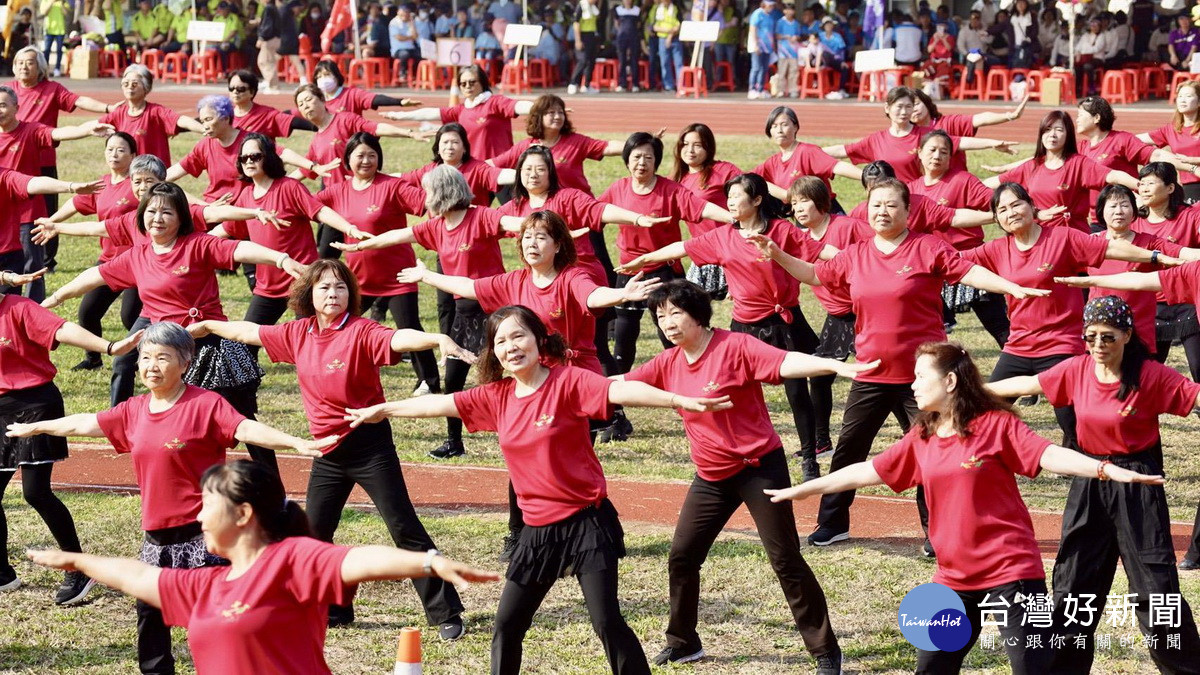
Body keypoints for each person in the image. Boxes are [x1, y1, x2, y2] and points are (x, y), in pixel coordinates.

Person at [344, 305, 731, 675]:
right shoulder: (496, 397)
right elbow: (441, 404)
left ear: (539, 339)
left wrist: (678, 400)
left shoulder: (568, 381)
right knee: (507, 626)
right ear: (493, 352)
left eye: (519, 336)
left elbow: (622, 392)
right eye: (501, 342)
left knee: (607, 622)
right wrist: (383, 410)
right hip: (537, 531)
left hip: (586, 524)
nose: (512, 347)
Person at [768, 340, 1164, 674]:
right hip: (953, 579)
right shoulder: (922, 435)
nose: (913, 384)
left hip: (1012, 575)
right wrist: (805, 489)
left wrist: (1104, 469)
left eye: (921, 376)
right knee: (931, 668)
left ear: (951, 381)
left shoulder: (995, 424)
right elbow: (868, 471)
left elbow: (1047, 455)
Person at [7, 321, 337, 675]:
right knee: (150, 618)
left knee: (217, 620)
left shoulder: (206, 404)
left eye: (162, 358)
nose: (151, 366)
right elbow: (85, 423)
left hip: (205, 535)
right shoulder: (133, 410)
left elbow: (245, 428)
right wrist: (38, 427)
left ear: (185, 362)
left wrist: (295, 442)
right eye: (145, 357)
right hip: (156, 536)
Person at [753, 178, 1046, 551]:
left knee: (934, 454)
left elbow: (966, 271)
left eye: (892, 205)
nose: (882, 212)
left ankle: (935, 533)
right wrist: (776, 253)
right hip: (871, 373)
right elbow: (813, 274)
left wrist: (1011, 287)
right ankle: (833, 522)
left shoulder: (926, 247)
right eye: (876, 205)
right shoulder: (856, 254)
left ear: (908, 212)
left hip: (924, 380)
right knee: (849, 449)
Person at [187, 258, 474, 635]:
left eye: (340, 287)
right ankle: (335, 609)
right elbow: (250, 331)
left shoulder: (360, 330)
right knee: (314, 535)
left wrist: (437, 338)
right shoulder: (298, 332)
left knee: (403, 527)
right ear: (310, 294)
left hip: (370, 448)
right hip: (325, 452)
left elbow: (396, 338)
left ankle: (446, 613)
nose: (333, 294)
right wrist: (208, 326)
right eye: (324, 287)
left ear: (350, 294)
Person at [26, 459, 499, 673]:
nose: (197, 515)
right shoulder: (205, 585)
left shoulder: (290, 561)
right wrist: (75, 559)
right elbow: (142, 577)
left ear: (244, 514)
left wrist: (430, 561)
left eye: (206, 503)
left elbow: (358, 559)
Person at [624, 280, 873, 671]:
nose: (668, 323)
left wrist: (832, 365)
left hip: (759, 468)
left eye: (676, 313)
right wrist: (566, 388)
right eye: (660, 316)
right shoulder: (668, 362)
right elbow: (620, 385)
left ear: (699, 314)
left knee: (785, 558)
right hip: (711, 476)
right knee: (682, 557)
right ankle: (684, 642)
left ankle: (825, 651)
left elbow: (784, 362)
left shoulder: (734, 346)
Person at [398, 210, 662, 558]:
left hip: (571, 381)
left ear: (557, 245)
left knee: (574, 459)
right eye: (527, 237)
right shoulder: (514, 281)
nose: (532, 243)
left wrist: (619, 296)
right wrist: (426, 275)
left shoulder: (572, 276)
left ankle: (600, 531)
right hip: (532, 381)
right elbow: (470, 287)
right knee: (524, 454)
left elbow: (592, 296)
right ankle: (518, 533)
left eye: (541, 237)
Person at [987, 296, 1200, 670]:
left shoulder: (1149, 374)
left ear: (1127, 336)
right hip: (1089, 479)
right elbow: (1028, 382)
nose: (1099, 345)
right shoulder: (1075, 369)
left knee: (1156, 591)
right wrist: (968, 390)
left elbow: (1194, 396)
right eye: (1091, 337)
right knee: (1073, 585)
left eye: (1108, 337)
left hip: (1137, 483)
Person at [42, 181, 305, 481]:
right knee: (183, 423)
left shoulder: (197, 244)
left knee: (240, 418)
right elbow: (95, 276)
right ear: (141, 215)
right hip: (169, 354)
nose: (157, 218)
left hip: (211, 349)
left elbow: (240, 249)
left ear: (181, 217)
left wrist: (281, 259)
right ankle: (194, 483)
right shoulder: (137, 256)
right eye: (151, 211)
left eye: (167, 212)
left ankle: (272, 487)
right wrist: (55, 297)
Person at [619, 173, 829, 478]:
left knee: (797, 391)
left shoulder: (781, 231)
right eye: (727, 197)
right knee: (738, 392)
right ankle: (736, 452)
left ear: (756, 200)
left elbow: (820, 253)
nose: (730, 202)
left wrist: (864, 257)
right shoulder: (723, 237)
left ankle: (810, 457)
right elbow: (681, 247)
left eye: (737, 196)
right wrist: (644, 260)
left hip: (784, 321)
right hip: (744, 325)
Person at [967, 182, 1171, 450]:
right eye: (1003, 209)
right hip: (1018, 346)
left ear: (1032, 206)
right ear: (997, 218)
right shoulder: (997, 249)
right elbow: (954, 260)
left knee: (1075, 424)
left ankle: (1098, 467)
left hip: (1061, 346)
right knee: (982, 415)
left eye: (1017, 204)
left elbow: (1110, 249)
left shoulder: (1062, 238)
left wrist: (1155, 256)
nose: (1011, 212)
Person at [333, 166, 511, 460]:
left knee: (498, 379)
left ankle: (514, 435)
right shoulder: (437, 226)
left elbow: (514, 221)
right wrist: (362, 245)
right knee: (453, 381)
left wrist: (548, 226)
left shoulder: (480, 216)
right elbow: (397, 236)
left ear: (442, 192)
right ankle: (455, 442)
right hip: (463, 315)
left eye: (428, 191)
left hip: (495, 312)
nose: (424, 197)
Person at [0, 273, 141, 605]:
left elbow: (61, 329)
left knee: (36, 492)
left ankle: (78, 569)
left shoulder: (19, 308)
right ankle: (3, 574)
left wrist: (108, 346)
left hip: (34, 403)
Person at [493, 145, 659, 379]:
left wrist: (636, 218)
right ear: (518, 173)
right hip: (544, 287)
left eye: (540, 169)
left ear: (551, 172)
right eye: (528, 169)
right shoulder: (515, 207)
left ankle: (611, 409)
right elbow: (485, 223)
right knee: (548, 348)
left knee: (594, 347)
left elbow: (599, 210)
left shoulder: (567, 197)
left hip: (581, 280)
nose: (533, 174)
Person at [316, 132, 441, 394]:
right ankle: (333, 370)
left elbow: (428, 206)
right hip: (359, 279)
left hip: (397, 276)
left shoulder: (392, 187)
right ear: (347, 159)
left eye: (372, 155)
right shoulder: (338, 191)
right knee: (343, 325)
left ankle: (428, 381)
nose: (366, 161)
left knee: (409, 327)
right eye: (360, 155)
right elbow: (306, 205)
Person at [598, 132, 734, 374]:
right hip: (630, 273)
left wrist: (733, 218)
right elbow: (593, 213)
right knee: (623, 338)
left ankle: (686, 383)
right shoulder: (618, 188)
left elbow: (701, 208)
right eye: (637, 157)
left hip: (664, 272)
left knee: (672, 337)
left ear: (656, 161)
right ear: (627, 159)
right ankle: (614, 406)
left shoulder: (670, 190)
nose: (642, 163)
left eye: (648, 158)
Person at [209, 133, 366, 323]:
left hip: (302, 279)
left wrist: (349, 229)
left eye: (255, 156)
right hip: (267, 287)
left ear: (269, 157)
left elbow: (320, 211)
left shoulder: (289, 187)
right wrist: (193, 243)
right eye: (244, 158)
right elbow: (227, 229)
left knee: (311, 340)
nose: (249, 161)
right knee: (245, 343)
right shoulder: (245, 195)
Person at [36, 132, 140, 371]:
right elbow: (75, 204)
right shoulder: (102, 184)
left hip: (136, 262)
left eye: (121, 150)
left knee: (130, 317)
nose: (114, 154)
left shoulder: (137, 184)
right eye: (110, 149)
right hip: (109, 261)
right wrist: (51, 221)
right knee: (88, 311)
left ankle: (142, 359)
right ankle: (93, 360)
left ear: (133, 155)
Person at [0, 86, 113, 304]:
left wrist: (86, 130)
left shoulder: (30, 131)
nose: (0, 110)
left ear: (17, 107)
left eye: (3, 105)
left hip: (28, 210)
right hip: (4, 213)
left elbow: (57, 133)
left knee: (32, 265)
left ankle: (35, 309)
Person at [8, 46, 109, 272]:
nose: (24, 66)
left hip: (42, 163)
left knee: (46, 212)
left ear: (41, 67)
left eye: (30, 62)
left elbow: (78, 100)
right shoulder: (8, 92)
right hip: (11, 164)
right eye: (19, 62)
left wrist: (108, 108)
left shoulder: (51, 89)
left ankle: (46, 260)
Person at [909, 130, 1010, 348]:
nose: (937, 156)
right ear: (919, 152)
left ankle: (1022, 361)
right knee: (932, 328)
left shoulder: (963, 180)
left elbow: (997, 202)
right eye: (932, 150)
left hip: (969, 260)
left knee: (999, 325)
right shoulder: (911, 190)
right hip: (934, 268)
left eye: (944, 152)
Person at [1087, 184, 1199, 354]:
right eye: (1113, 206)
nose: (1119, 211)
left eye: (1125, 205)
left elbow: (1182, 252)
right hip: (1100, 331)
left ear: (1134, 211)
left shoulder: (1150, 243)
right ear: (1101, 211)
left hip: (1138, 330)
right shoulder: (1089, 244)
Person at [983, 110, 1138, 232]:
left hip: (1073, 237)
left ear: (1068, 134)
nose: (1052, 135)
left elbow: (1114, 176)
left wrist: (1141, 187)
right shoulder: (1032, 166)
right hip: (1040, 237)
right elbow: (991, 184)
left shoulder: (1079, 164)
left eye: (1059, 130)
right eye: (1048, 129)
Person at [824, 86, 1016, 183]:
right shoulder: (877, 140)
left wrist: (993, 143)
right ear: (887, 108)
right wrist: (808, 151)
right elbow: (843, 149)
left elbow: (959, 141)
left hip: (920, 199)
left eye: (909, 106)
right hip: (890, 200)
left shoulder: (925, 135)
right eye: (899, 107)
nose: (905, 112)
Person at [1131, 162, 1200, 381]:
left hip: (1187, 303)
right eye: (1141, 183)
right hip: (1150, 305)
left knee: (1198, 366)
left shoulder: (1189, 216)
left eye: (1151, 183)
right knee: (1145, 371)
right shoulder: (1134, 222)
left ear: (1170, 188)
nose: (1144, 188)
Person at [381, 64, 534, 160]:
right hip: (477, 170)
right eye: (463, 83)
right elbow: (431, 113)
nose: (467, 86)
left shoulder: (495, 103)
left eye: (472, 82)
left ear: (482, 83)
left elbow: (519, 106)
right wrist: (400, 115)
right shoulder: (461, 110)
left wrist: (541, 108)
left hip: (503, 166)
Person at [671, 123, 742, 298]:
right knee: (691, 307)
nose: (690, 150)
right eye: (685, 144)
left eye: (698, 145)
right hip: (703, 252)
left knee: (747, 305)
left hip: (730, 249)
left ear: (708, 148)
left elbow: (750, 191)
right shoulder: (677, 180)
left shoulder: (724, 171)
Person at [753, 107, 861, 209]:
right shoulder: (772, 163)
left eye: (784, 124)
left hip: (826, 212)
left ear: (795, 127)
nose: (779, 130)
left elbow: (838, 166)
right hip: (802, 218)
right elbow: (748, 179)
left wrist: (866, 177)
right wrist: (783, 194)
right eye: (774, 126)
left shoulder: (807, 151)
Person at [99, 65, 204, 166]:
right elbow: (93, 126)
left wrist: (205, 130)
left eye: (134, 84)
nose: (130, 87)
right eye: (126, 83)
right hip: (131, 176)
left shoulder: (156, 112)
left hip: (154, 176)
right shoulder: (119, 113)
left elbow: (181, 120)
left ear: (146, 88)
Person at [1138, 80, 1200, 203]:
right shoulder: (1171, 129)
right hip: (1190, 186)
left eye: (1188, 96)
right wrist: (1112, 137)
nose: (1183, 100)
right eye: (1180, 96)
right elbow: (1135, 139)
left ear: (1199, 102)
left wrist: (1193, 160)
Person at [226, 70, 316, 139]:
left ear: (252, 92)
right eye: (231, 88)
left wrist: (321, 127)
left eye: (240, 89)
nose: (235, 92)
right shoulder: (224, 115)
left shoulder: (266, 114)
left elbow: (292, 122)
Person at [312, 58, 420, 115]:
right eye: (319, 77)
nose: (323, 80)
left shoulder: (351, 94)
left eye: (326, 75)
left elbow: (374, 99)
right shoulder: (317, 100)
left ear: (336, 75)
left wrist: (399, 102)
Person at [568, 0, 601, 94]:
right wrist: (578, 40)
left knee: (591, 61)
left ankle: (586, 85)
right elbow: (576, 23)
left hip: (592, 35)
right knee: (583, 60)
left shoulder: (594, 7)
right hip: (583, 35)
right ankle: (573, 83)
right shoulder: (581, 6)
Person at [747, 0, 777, 99]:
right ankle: (752, 89)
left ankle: (760, 89)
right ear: (764, 5)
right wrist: (756, 44)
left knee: (764, 69)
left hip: (767, 47)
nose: (772, 8)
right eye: (770, 6)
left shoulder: (770, 16)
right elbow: (753, 29)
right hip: (758, 45)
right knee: (756, 67)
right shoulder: (757, 14)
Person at [612, 0, 642, 92]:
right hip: (622, 38)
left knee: (634, 61)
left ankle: (635, 84)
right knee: (622, 61)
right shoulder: (618, 10)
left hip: (634, 38)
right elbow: (616, 23)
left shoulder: (637, 10)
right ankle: (622, 84)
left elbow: (639, 24)